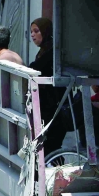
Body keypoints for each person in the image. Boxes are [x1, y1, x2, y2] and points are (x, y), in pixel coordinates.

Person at [29, 17, 71, 153]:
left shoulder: (52, 51)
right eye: (31, 32)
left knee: (51, 147)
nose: (32, 35)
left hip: (55, 108)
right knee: (49, 148)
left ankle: (56, 173)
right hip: (47, 108)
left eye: (36, 31)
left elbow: (37, 68)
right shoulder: (43, 51)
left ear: (46, 32)